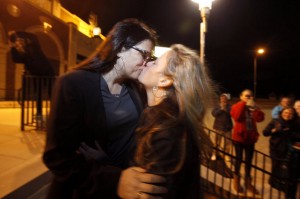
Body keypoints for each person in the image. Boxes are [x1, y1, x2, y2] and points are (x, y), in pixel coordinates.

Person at [43, 18, 167, 199]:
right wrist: (114, 179)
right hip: (86, 191)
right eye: (143, 54)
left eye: (150, 58)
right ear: (121, 48)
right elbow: (57, 156)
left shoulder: (136, 88)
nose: (146, 62)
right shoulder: (73, 84)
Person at [125, 44, 216, 199]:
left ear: (165, 80)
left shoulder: (166, 129)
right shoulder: (167, 120)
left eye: (155, 63)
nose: (147, 63)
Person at [230, 89, 265, 195]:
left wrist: (254, 109)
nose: (249, 98)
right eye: (246, 96)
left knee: (249, 162)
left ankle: (248, 183)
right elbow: (236, 117)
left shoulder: (253, 106)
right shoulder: (236, 106)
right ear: (241, 97)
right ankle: (236, 181)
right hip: (239, 138)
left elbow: (260, 119)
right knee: (239, 159)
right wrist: (243, 104)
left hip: (250, 138)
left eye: (250, 96)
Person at [263, 107, 299, 197]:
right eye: (286, 112)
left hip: (289, 150)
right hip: (276, 149)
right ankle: (274, 181)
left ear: (293, 115)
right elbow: (265, 132)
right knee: (276, 165)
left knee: (286, 169)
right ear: (282, 113)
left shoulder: (295, 123)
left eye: (290, 113)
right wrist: (274, 131)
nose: (287, 114)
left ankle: (283, 184)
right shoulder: (276, 121)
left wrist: (290, 132)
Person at [211, 93, 233, 161]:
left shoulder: (230, 106)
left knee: (228, 143)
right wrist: (221, 109)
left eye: (225, 98)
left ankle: (226, 155)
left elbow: (231, 114)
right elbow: (213, 114)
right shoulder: (217, 106)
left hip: (227, 128)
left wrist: (225, 109)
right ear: (220, 99)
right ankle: (214, 154)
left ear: (227, 99)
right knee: (217, 142)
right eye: (222, 98)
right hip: (218, 127)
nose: (223, 99)